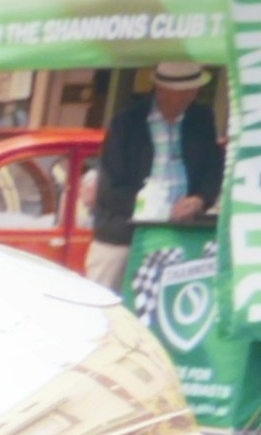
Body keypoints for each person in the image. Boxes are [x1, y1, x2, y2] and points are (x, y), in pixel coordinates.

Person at [91, 59, 224, 288]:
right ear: (161, 90)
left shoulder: (202, 118)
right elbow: (110, 187)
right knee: (103, 295)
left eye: (192, 91)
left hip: (179, 233)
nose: (188, 98)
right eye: (181, 92)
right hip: (123, 233)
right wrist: (158, 208)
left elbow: (214, 168)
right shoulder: (126, 122)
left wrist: (200, 199)